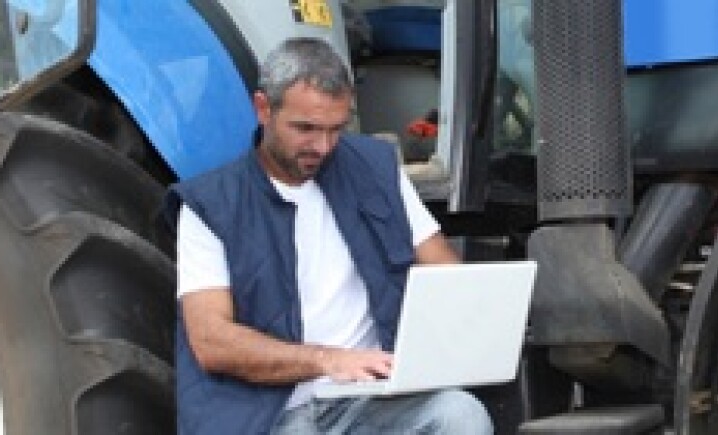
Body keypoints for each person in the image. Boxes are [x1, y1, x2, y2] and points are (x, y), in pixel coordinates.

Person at [163, 37, 493, 434]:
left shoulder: (376, 167)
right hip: (269, 415)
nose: (321, 146)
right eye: (305, 129)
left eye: (335, 129)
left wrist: (477, 321)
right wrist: (327, 360)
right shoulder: (209, 204)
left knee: (461, 414)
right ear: (263, 108)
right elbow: (211, 341)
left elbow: (443, 270)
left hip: (370, 402)